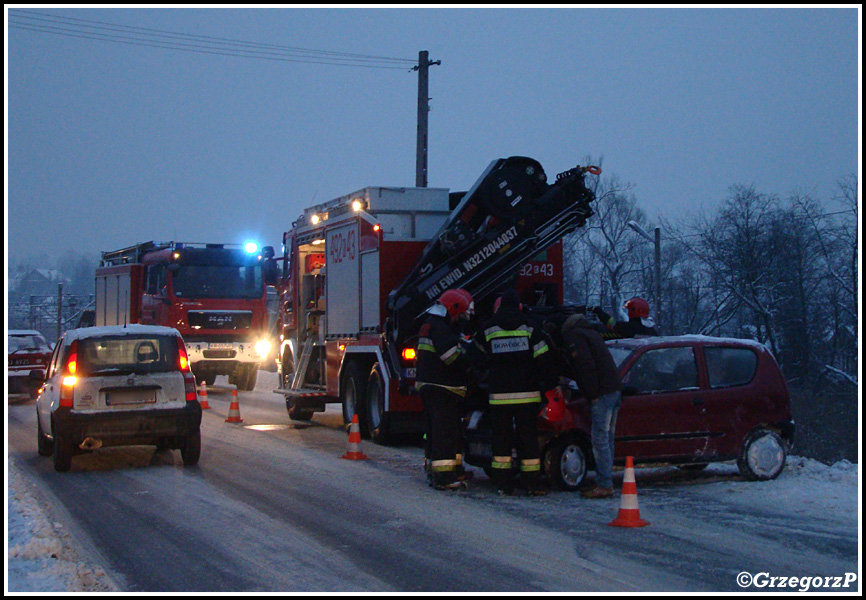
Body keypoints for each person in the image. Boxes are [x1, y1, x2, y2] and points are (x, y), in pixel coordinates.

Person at [476, 288, 557, 496]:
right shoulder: (530, 328)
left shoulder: (488, 329)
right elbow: (545, 361)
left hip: (499, 397)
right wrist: (549, 384)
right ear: (519, 306)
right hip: (527, 396)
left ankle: (503, 484)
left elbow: (475, 357)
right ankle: (531, 483)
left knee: (501, 441)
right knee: (527, 440)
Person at [416, 288, 475, 490]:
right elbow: (451, 357)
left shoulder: (430, 324)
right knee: (445, 432)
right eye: (460, 314)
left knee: (437, 430)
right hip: (441, 388)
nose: (461, 319)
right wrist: (469, 361)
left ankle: (441, 471)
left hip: (431, 386)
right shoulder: (440, 328)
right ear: (452, 309)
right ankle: (444, 478)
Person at [560, 312, 623, 499]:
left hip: (602, 393)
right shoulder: (591, 333)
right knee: (607, 439)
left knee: (599, 440)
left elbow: (585, 366)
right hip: (614, 390)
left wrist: (592, 394)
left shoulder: (574, 337)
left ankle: (604, 484)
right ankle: (607, 480)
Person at [590, 297, 659, 339]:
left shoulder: (631, 327)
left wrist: (599, 312)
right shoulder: (651, 330)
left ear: (632, 312)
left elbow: (612, 323)